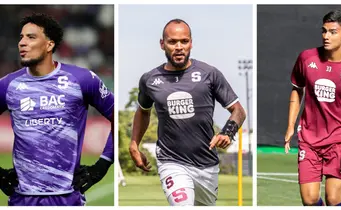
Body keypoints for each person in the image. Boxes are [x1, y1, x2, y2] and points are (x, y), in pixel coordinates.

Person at [129, 19, 246, 206]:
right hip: (171, 162)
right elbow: (143, 112)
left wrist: (227, 132)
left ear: (191, 43)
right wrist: (134, 144)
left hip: (207, 164)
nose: (179, 47)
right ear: (162, 44)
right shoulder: (150, 80)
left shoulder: (210, 74)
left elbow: (238, 110)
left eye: (184, 41)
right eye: (172, 41)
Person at [0, 13, 114, 206]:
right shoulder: (8, 85)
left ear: (49, 45)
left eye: (31, 37)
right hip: (21, 199)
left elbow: (118, 117)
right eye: (21, 37)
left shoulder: (82, 79)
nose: (22, 43)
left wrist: (101, 166)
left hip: (68, 198)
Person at [284, 10, 341, 206]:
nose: (326, 36)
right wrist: (291, 125)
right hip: (309, 139)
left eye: (333, 32)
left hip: (340, 140)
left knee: (333, 198)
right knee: (309, 198)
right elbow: (297, 90)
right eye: (324, 31)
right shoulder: (306, 58)